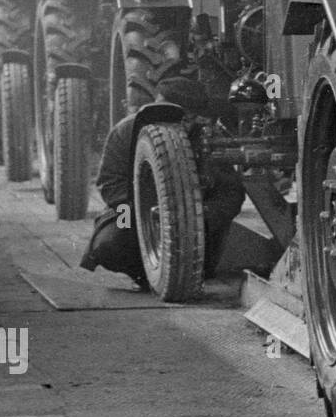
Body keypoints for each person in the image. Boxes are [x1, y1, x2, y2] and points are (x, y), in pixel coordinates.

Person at [79, 77, 245, 288]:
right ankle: (143, 275)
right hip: (132, 210)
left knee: (205, 260)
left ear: (193, 118)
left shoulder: (205, 137)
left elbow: (231, 192)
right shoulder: (125, 131)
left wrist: (202, 217)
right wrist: (141, 213)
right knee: (109, 244)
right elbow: (109, 184)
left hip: (193, 219)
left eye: (187, 119)